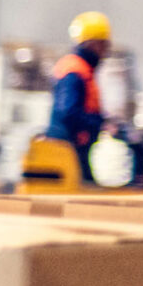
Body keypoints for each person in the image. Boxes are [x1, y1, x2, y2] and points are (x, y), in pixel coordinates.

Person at [47, 11, 112, 182]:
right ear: (92, 44)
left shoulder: (82, 68)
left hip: (74, 147)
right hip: (67, 148)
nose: (105, 51)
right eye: (103, 45)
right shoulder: (74, 70)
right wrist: (99, 123)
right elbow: (68, 112)